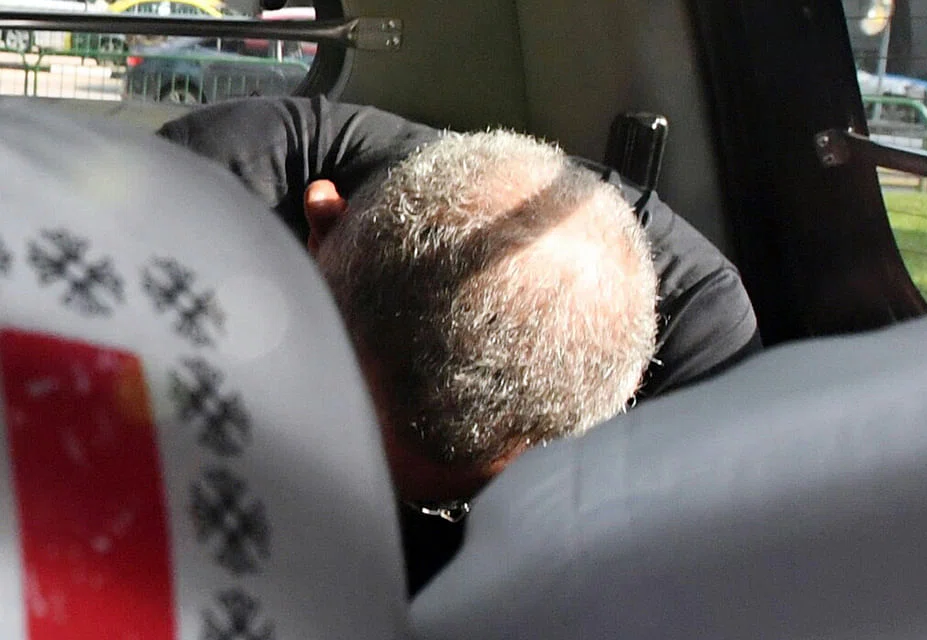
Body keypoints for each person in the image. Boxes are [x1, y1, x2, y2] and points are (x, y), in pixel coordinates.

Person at [158, 95, 761, 593]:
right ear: (322, 228)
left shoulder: (705, 382)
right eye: (327, 408)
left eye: (444, 504)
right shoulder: (201, 189)